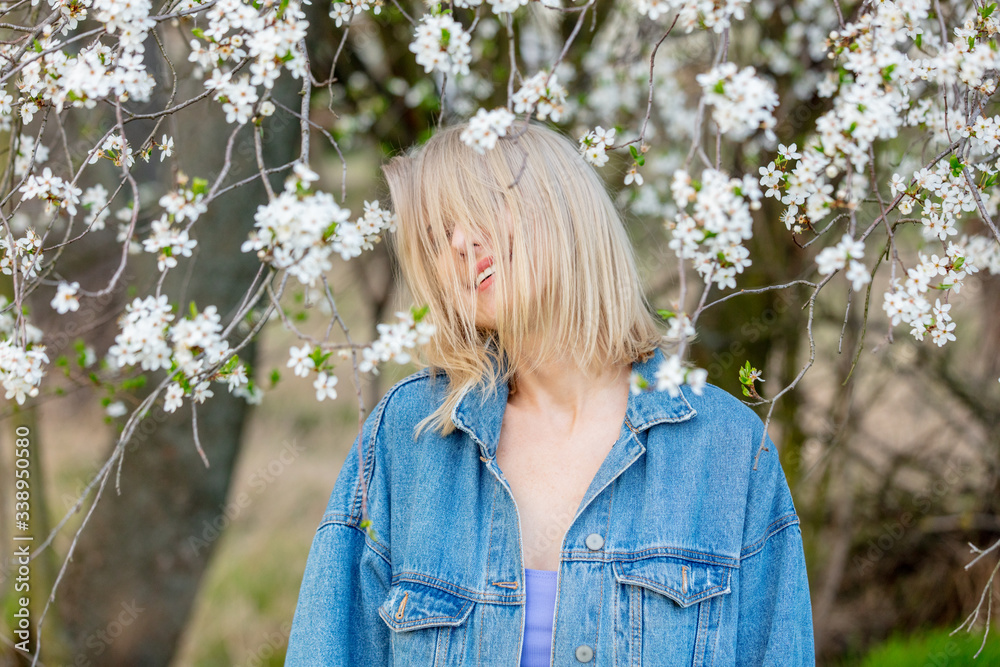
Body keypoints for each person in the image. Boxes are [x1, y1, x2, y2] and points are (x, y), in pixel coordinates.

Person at [284, 122, 815, 665]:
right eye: (435, 237)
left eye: (479, 207)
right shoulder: (407, 436)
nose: (461, 243)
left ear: (560, 204)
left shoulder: (726, 446)